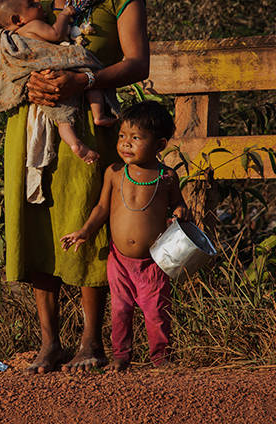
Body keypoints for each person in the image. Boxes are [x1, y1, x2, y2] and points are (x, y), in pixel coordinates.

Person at [3, 0, 150, 374]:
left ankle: (90, 340)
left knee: (88, 226)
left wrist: (85, 81)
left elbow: (137, 62)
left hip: (90, 130)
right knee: (39, 228)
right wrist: (31, 80)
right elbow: (15, 40)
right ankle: (49, 342)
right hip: (32, 128)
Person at [60, 101, 189, 370]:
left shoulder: (166, 177)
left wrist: (180, 212)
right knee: (120, 310)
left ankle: (161, 358)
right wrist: (85, 231)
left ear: (160, 144)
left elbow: (179, 204)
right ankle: (120, 356)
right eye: (122, 136)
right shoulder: (115, 173)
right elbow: (102, 208)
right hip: (118, 260)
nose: (126, 144)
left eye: (136, 138)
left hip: (153, 261)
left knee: (156, 312)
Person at [0, 0, 118, 165]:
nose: (39, 5)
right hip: (57, 69)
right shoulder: (32, 25)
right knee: (90, 76)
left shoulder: (15, 37)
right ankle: (99, 115)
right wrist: (64, 14)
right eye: (33, 5)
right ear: (17, 20)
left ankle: (74, 144)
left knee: (63, 120)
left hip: (45, 82)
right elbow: (56, 34)